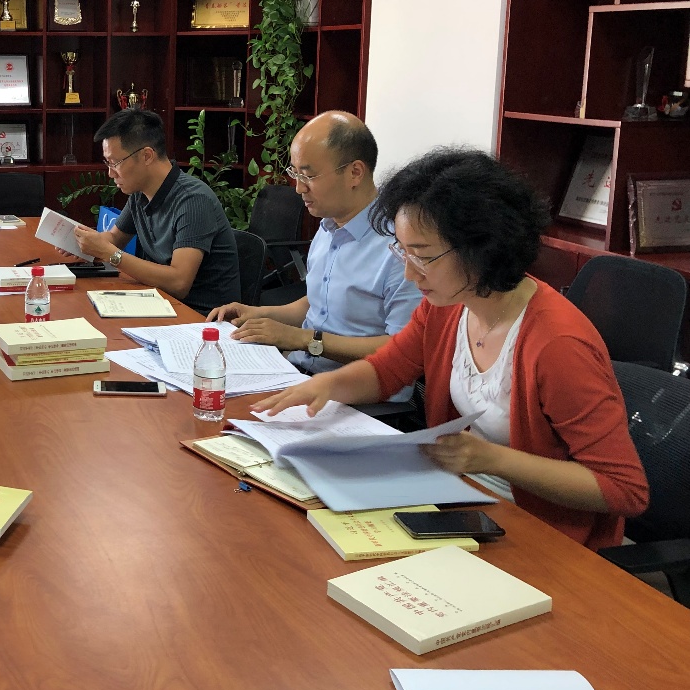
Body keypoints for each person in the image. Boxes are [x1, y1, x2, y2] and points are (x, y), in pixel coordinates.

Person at [252, 148, 648, 549]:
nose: (409, 273)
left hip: (545, 533)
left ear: (482, 248)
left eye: (423, 257)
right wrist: (325, 387)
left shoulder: (557, 345)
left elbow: (624, 489)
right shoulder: (448, 306)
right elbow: (386, 371)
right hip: (467, 499)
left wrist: (492, 460)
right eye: (402, 251)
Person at [208, 112, 420, 395]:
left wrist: (306, 340)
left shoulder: (400, 247)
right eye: (295, 173)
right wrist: (256, 314)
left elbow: (403, 349)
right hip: (297, 375)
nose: (299, 188)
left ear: (355, 172)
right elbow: (317, 303)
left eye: (309, 175)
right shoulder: (329, 226)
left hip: (357, 398)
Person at [71, 108, 239, 317]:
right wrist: (83, 242)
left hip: (200, 317)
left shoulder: (193, 200)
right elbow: (114, 239)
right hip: (160, 303)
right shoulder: (140, 193)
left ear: (147, 156)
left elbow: (179, 283)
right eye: (108, 163)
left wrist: (109, 254)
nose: (110, 173)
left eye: (115, 163)